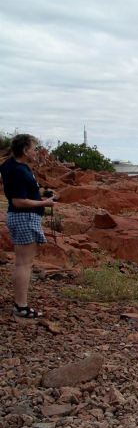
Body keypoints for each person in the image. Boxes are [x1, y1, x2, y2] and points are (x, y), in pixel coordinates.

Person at [0, 133, 57, 318]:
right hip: (24, 217)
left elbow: (22, 190)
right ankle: (21, 306)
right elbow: (18, 201)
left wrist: (40, 192)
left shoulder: (10, 165)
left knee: (22, 262)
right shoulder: (19, 171)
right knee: (24, 263)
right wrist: (44, 203)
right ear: (25, 150)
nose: (36, 152)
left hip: (18, 217)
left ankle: (20, 303)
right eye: (33, 148)